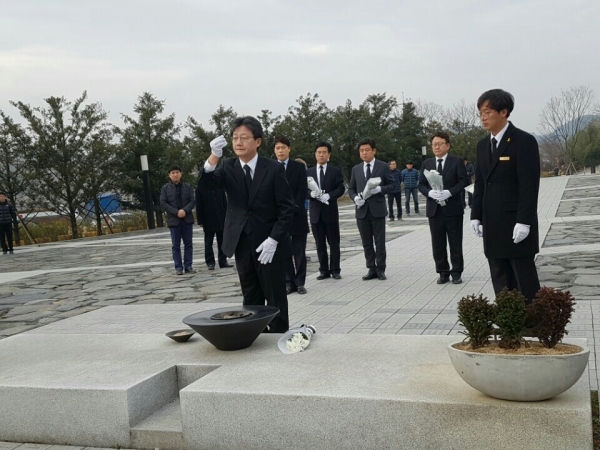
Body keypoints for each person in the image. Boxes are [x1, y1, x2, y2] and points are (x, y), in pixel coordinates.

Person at [199, 116, 294, 333]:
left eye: (244, 138)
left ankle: (278, 335)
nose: (238, 142)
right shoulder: (228, 166)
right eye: (235, 138)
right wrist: (214, 156)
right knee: (250, 294)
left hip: (270, 244)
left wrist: (274, 239)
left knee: (275, 295)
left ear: (258, 141)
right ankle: (254, 334)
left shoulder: (273, 168)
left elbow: (287, 209)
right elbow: (206, 185)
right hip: (241, 242)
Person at [470, 89, 541, 303]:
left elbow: (529, 186)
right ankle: (508, 322)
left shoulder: (523, 141)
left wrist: (524, 221)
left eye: (487, 112)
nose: (483, 117)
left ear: (504, 112)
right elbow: (481, 182)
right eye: (480, 113)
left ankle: (532, 325)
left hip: (515, 223)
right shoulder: (483, 145)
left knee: (523, 278)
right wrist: (476, 215)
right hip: (492, 223)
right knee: (499, 276)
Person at [418, 132, 469, 284]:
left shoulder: (456, 162)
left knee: (455, 241)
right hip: (434, 210)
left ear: (448, 145)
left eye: (440, 143)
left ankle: (456, 272)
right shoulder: (427, 164)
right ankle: (442, 272)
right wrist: (429, 193)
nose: (437, 146)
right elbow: (421, 184)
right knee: (438, 242)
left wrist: (449, 192)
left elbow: (464, 181)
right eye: (434, 144)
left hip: (452, 209)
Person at [348, 138, 394, 280]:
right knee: (366, 242)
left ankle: (381, 268)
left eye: (367, 150)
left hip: (377, 209)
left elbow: (393, 185)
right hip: (362, 211)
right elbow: (351, 188)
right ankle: (371, 268)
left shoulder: (382, 166)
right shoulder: (356, 169)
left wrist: (380, 189)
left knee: (379, 241)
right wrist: (355, 198)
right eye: (361, 150)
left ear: (374, 150)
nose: (364, 153)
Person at [274, 135, 309, 295]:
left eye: (283, 147)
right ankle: (289, 282)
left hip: (297, 214)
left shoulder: (298, 167)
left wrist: (292, 207)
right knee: (284, 251)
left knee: (299, 250)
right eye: (277, 148)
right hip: (280, 218)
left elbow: (302, 190)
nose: (280, 151)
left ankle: (300, 282)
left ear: (289, 149)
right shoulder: (271, 167)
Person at [307, 142, 345, 280]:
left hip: (330, 212)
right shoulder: (308, 172)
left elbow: (341, 188)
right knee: (320, 243)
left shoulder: (335, 171)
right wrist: (310, 194)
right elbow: (302, 190)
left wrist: (330, 195)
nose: (321, 154)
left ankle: (335, 269)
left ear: (329, 154)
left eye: (324, 152)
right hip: (316, 213)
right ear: (315, 154)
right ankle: (323, 270)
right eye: (319, 152)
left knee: (334, 242)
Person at [160, 165, 196, 275]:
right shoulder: (165, 188)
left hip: (187, 219)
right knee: (176, 245)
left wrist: (184, 210)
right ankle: (178, 267)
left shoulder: (187, 187)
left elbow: (192, 200)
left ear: (181, 174)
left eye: (177, 172)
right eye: (173, 173)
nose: (175, 174)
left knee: (188, 244)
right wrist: (176, 212)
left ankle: (188, 265)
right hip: (174, 220)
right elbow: (163, 203)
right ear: (169, 175)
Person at [195, 183, 232, 270]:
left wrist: (228, 216)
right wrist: (200, 220)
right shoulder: (200, 188)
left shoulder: (220, 186)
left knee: (222, 241)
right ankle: (210, 262)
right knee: (208, 243)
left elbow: (224, 203)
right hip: (208, 219)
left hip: (221, 218)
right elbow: (199, 205)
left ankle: (223, 261)